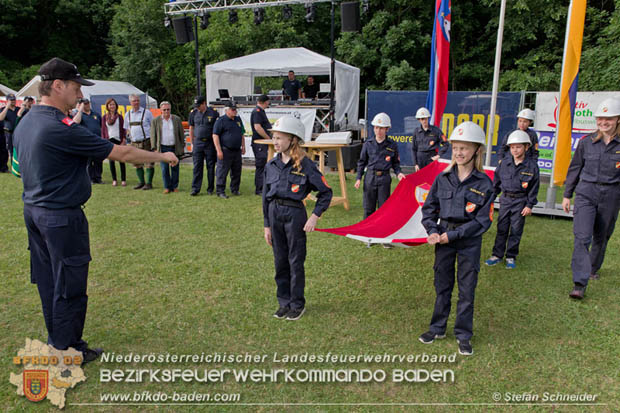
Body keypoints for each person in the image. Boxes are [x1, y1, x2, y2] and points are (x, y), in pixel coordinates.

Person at [14, 57, 178, 364]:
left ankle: (61, 343)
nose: (80, 95)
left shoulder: (27, 121)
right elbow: (122, 152)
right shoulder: (60, 128)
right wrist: (162, 155)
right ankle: (65, 351)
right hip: (60, 217)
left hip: (34, 210)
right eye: (76, 87)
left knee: (50, 282)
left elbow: (17, 168)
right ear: (58, 86)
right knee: (69, 285)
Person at [418, 121, 495, 356]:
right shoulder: (443, 178)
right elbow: (429, 209)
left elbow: (483, 221)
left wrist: (450, 236)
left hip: (468, 241)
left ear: (476, 151)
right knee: (442, 286)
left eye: (465, 148)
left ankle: (463, 334)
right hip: (442, 238)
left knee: (466, 289)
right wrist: (432, 230)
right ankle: (437, 328)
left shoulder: (485, 183)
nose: (459, 153)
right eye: (456, 148)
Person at [263, 116, 333, 321]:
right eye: (274, 137)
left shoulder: (305, 165)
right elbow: (265, 198)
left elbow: (326, 192)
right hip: (275, 214)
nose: (275, 142)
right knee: (280, 261)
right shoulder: (271, 165)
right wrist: (266, 225)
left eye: (279, 138)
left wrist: (314, 217)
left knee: (295, 261)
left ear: (292, 139)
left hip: (295, 216)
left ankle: (297, 304)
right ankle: (283, 303)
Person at [562, 97, 620, 299]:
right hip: (586, 193)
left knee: (601, 237)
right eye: (600, 119)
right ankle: (579, 283)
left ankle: (593, 267)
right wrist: (567, 194)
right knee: (582, 237)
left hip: (612, 195)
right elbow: (575, 168)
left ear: (618, 119)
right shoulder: (586, 142)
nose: (604, 123)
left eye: (609, 119)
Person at [484, 130, 539, 269]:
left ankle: (511, 256)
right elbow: (496, 183)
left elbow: (534, 187)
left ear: (526, 147)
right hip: (505, 200)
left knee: (516, 230)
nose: (515, 150)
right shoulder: (504, 163)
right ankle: (497, 255)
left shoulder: (532, 166)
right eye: (512, 147)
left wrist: (529, 205)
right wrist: (490, 198)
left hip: (520, 202)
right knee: (501, 228)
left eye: (519, 147)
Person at [354, 112, 406, 220]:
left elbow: (395, 163)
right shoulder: (368, 144)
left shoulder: (392, 145)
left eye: (381, 128)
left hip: (384, 179)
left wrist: (399, 173)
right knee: (368, 208)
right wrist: (358, 178)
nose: (378, 131)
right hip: (370, 178)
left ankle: (381, 232)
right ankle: (367, 233)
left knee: (384, 208)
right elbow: (362, 162)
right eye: (376, 128)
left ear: (387, 129)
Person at [151, 101, 185, 194]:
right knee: (164, 168)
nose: (166, 111)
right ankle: (167, 187)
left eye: (168, 109)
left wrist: (182, 146)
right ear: (160, 110)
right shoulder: (156, 121)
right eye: (164, 110)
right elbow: (153, 135)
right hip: (162, 148)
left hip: (174, 147)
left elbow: (181, 134)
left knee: (175, 168)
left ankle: (174, 186)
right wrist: (154, 148)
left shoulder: (176, 119)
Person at [213, 102, 245, 198]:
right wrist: (218, 150)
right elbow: (215, 135)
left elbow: (242, 133)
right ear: (226, 110)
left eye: (235, 109)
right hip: (225, 150)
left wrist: (243, 146)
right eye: (233, 109)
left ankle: (235, 189)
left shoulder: (238, 119)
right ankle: (220, 191)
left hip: (237, 150)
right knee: (222, 172)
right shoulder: (221, 121)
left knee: (236, 171)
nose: (235, 111)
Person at [189, 96, 219, 196]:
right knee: (197, 166)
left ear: (204, 103)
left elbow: (217, 128)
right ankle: (195, 189)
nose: (197, 108)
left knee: (210, 166)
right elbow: (191, 128)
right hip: (198, 143)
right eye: (196, 106)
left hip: (209, 143)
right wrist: (192, 142)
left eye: (199, 105)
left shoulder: (213, 112)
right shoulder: (193, 113)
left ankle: (210, 188)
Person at [124, 93, 154, 190]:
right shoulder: (127, 114)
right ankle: (141, 182)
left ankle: (149, 183)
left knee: (149, 163)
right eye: (134, 101)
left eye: (137, 100)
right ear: (130, 102)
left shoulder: (147, 113)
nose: (136, 102)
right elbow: (127, 128)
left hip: (146, 141)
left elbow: (152, 126)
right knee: (137, 164)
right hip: (134, 142)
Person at [73, 98, 104, 184]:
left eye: (87, 103)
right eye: (84, 104)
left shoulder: (96, 115)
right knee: (88, 162)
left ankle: (98, 178)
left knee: (98, 161)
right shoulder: (80, 115)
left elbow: (101, 126)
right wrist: (80, 110)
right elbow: (75, 122)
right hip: (86, 142)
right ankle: (90, 178)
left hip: (97, 141)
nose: (87, 105)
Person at [412, 107, 449, 171]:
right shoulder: (416, 132)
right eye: (422, 119)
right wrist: (415, 164)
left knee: (432, 180)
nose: (424, 121)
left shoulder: (436, 130)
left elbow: (446, 143)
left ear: (428, 118)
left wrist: (438, 155)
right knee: (421, 180)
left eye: (425, 118)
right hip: (420, 161)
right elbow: (414, 149)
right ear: (419, 120)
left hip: (431, 159)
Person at [101, 98, 127, 186]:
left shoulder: (120, 117)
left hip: (118, 140)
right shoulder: (105, 117)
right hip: (109, 140)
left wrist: (123, 139)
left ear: (116, 106)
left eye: (113, 104)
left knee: (121, 160)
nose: (112, 106)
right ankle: (114, 180)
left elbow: (123, 129)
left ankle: (123, 180)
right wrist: (104, 140)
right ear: (107, 106)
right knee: (111, 161)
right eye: (110, 104)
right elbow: (103, 130)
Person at [251, 95, 272, 195]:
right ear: (265, 102)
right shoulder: (257, 112)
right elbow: (258, 127)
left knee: (264, 164)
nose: (269, 104)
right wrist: (268, 139)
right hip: (260, 143)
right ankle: (259, 189)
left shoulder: (260, 111)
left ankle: (263, 187)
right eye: (268, 102)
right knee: (261, 164)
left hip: (262, 143)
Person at [0, 94, 19, 171]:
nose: (13, 101)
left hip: (18, 132)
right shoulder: (3, 109)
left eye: (14, 99)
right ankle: (11, 167)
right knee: (10, 150)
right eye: (11, 100)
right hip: (8, 133)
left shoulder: (18, 109)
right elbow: (1, 118)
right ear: (7, 101)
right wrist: (7, 107)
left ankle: (19, 167)